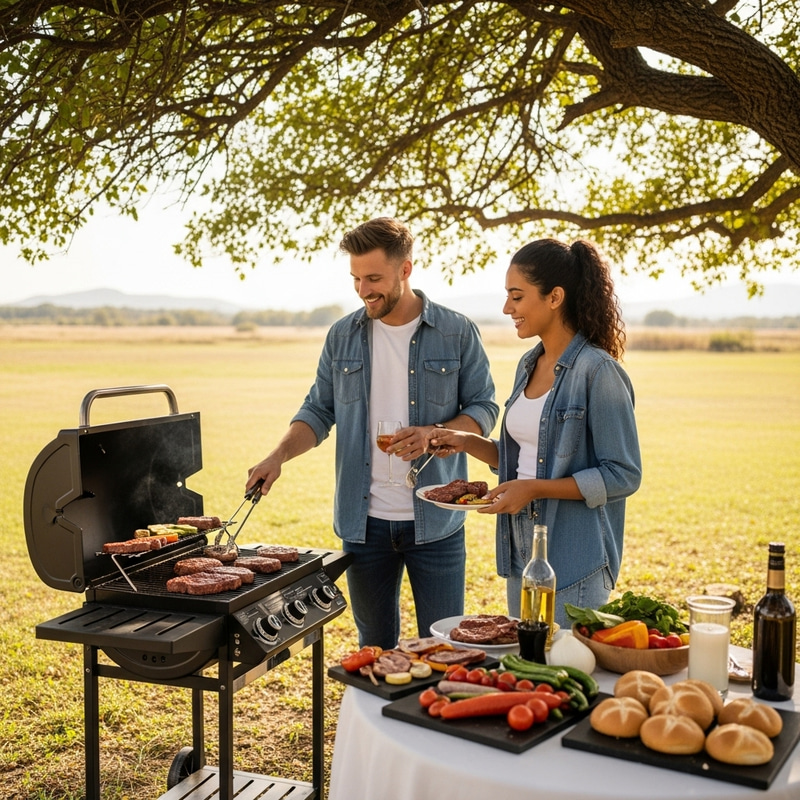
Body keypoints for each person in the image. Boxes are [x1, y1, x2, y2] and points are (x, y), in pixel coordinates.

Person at [246, 217, 498, 650]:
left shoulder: (457, 332)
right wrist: (277, 457)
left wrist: (435, 433)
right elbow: (318, 411)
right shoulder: (342, 335)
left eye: (374, 278)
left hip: (436, 524)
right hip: (364, 527)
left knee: (441, 647)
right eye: (356, 279)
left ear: (406, 270)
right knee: (375, 646)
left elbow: (484, 408)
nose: (364, 290)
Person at [427, 238, 642, 631]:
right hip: (521, 549)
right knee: (530, 665)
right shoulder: (529, 364)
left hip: (574, 557)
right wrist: (468, 442)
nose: (507, 308)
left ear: (555, 297)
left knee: (560, 670)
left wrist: (535, 489)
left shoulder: (598, 371)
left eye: (517, 296)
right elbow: (529, 456)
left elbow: (624, 474)